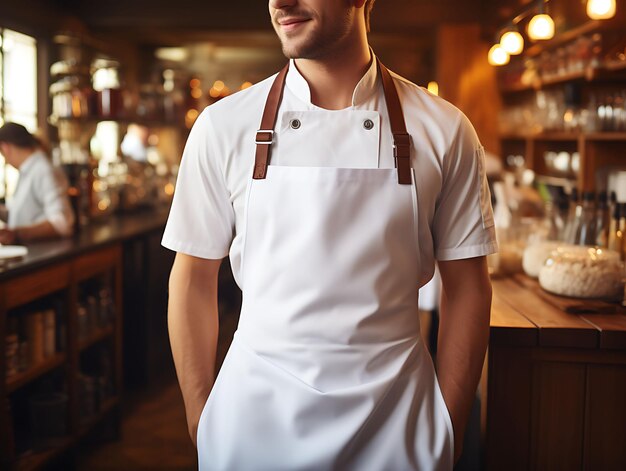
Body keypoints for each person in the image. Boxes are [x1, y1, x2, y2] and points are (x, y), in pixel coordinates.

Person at [163, 0, 497, 469]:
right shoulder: (222, 127)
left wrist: (450, 427)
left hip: (398, 425)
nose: (280, 2)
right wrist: (202, 420)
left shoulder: (445, 130)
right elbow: (192, 278)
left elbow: (467, 287)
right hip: (252, 425)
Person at [0, 122, 74, 244]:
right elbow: (22, 216)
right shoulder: (27, 171)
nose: (6, 161)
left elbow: (62, 223)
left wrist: (16, 233)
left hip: (44, 256)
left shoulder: (42, 170)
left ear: (6, 148)